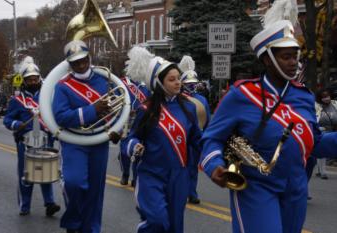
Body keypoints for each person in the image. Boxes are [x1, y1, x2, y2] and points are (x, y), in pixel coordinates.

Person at [199, 4, 337, 233]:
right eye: (286, 57)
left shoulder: (303, 96)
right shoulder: (241, 95)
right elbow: (211, 139)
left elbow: (314, 143)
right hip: (256, 187)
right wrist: (215, 166)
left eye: (295, 56)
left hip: (296, 190)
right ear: (267, 60)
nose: (294, 62)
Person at [122, 47, 202, 233]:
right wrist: (134, 146)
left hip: (179, 176)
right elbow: (130, 139)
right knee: (157, 221)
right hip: (152, 174)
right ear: (159, 83)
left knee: (175, 226)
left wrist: (219, 152)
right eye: (171, 79)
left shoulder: (188, 108)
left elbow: (197, 140)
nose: (178, 83)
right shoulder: (146, 109)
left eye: (178, 78)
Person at [52, 40, 120, 233]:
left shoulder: (104, 80)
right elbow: (61, 117)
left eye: (83, 60)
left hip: (99, 141)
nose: (81, 65)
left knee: (95, 192)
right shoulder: (63, 86)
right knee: (74, 183)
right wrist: (91, 110)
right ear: (69, 64)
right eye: (75, 62)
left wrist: (117, 130)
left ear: (89, 57)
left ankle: (91, 229)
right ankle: (74, 222)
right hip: (74, 141)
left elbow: (117, 110)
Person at [3, 59, 60, 216]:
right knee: (26, 175)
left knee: (45, 172)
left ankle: (50, 203)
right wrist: (16, 124)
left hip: (45, 141)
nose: (33, 81)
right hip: (25, 143)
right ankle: (25, 205)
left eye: (35, 78)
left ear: (39, 79)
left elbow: (55, 116)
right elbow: (7, 120)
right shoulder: (17, 100)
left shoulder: (47, 97)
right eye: (29, 79)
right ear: (25, 81)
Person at [178, 55, 211, 204]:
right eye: (188, 83)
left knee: (193, 167)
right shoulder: (178, 98)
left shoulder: (202, 99)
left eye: (193, 83)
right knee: (182, 166)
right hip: (182, 137)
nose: (191, 86)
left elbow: (207, 119)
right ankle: (182, 190)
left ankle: (192, 192)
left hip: (197, 137)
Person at [118, 75, 150, 186]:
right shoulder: (121, 83)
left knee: (138, 150)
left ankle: (136, 177)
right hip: (126, 120)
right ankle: (125, 174)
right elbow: (116, 101)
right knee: (124, 150)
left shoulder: (146, 86)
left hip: (140, 119)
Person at [315, 88, 337, 179]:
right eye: (323, 97)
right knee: (322, 151)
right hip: (322, 130)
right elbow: (314, 117)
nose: (326, 98)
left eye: (327, 96)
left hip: (334, 130)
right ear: (320, 98)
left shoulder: (335, 104)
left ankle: (319, 170)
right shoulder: (317, 106)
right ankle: (323, 172)